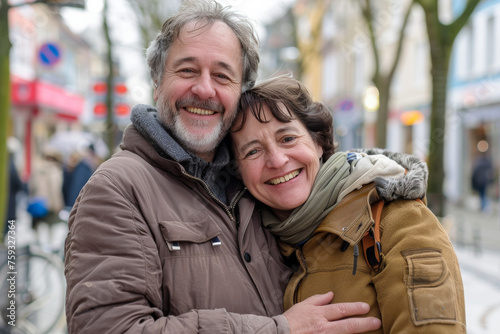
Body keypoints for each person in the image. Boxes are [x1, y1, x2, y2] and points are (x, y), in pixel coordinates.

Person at [64, 1, 383, 333]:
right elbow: (109, 327)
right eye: (187, 70)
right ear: (157, 82)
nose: (204, 89)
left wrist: (385, 182)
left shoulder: (254, 182)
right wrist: (277, 330)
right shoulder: (116, 190)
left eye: (222, 75)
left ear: (240, 92)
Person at [230, 75, 466, 333]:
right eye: (253, 151)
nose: (276, 160)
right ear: (238, 170)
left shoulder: (398, 221)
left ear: (318, 142)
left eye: (287, 138)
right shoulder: (246, 243)